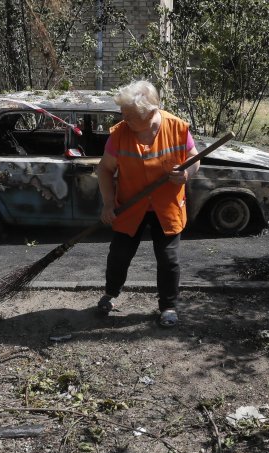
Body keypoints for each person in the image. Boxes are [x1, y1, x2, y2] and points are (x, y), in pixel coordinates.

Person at [95, 80, 199, 327]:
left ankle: (168, 307)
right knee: (119, 255)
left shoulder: (178, 128)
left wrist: (186, 175)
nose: (124, 118)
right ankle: (111, 293)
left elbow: (194, 158)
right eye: (123, 113)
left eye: (129, 115)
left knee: (168, 259)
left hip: (167, 207)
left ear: (151, 112)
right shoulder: (120, 134)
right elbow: (104, 170)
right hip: (130, 206)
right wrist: (108, 203)